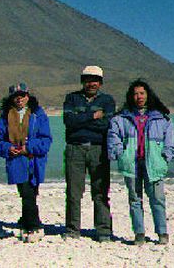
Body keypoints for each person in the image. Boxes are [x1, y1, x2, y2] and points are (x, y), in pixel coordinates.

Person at [107, 79, 174, 245]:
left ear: (148, 95)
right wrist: (120, 152)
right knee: (134, 199)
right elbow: (113, 136)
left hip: (153, 164)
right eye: (135, 94)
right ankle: (139, 233)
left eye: (142, 93)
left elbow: (171, 142)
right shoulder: (121, 118)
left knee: (157, 199)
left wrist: (165, 157)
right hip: (131, 164)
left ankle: (162, 232)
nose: (138, 96)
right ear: (130, 96)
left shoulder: (161, 118)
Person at [0, 83, 52, 243]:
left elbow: (46, 139)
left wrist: (28, 147)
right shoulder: (5, 117)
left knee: (31, 192)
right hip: (16, 160)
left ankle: (29, 222)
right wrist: (8, 148)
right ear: (11, 98)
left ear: (28, 96)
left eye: (23, 95)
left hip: (34, 159)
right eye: (16, 96)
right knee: (26, 192)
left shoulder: (38, 115)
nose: (20, 99)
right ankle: (32, 226)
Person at [62, 66, 116, 242]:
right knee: (73, 191)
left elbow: (107, 125)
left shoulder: (108, 101)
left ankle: (103, 230)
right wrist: (92, 116)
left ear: (100, 83)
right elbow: (69, 122)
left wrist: (82, 120)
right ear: (82, 81)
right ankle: (72, 229)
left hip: (99, 149)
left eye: (95, 80)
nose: (91, 83)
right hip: (74, 148)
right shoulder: (72, 98)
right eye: (88, 79)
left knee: (100, 191)